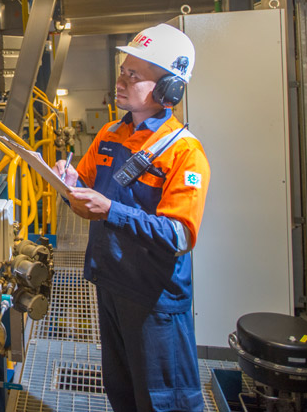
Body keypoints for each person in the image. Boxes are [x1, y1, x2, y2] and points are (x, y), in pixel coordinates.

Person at [53, 23, 210, 412]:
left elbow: (178, 235)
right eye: (123, 71)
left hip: (154, 299)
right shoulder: (110, 134)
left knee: (163, 402)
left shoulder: (184, 153)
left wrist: (110, 211)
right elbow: (85, 181)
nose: (121, 81)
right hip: (110, 283)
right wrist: (67, 178)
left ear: (168, 89)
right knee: (122, 393)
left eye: (133, 75)